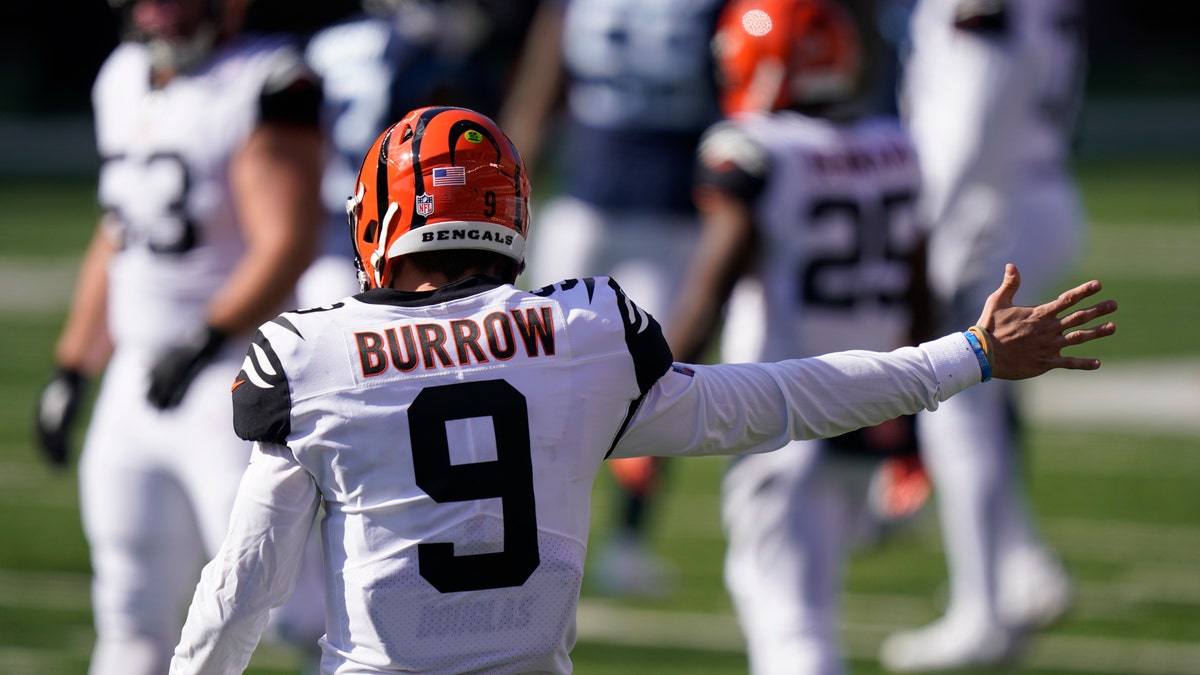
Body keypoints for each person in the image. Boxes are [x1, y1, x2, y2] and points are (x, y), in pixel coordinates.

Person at [166, 104, 1115, 675]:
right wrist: (969, 356)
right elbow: (783, 397)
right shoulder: (579, 343)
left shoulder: (316, 357)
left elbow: (242, 586)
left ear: (378, 217)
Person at [32, 0, 326, 672]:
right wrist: (74, 364)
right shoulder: (120, 77)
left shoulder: (268, 80)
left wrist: (204, 336)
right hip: (138, 381)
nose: (162, 17)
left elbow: (288, 238)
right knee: (130, 610)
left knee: (298, 612)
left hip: (235, 377)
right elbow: (121, 235)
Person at [663, 0, 931, 672]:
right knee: (809, 599)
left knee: (781, 611)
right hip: (870, 395)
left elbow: (711, 289)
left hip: (780, 400)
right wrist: (914, 421)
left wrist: (652, 388)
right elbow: (920, 290)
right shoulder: (894, 144)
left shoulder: (754, 149)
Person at [879, 0, 1090, 669]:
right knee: (980, 403)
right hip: (1021, 186)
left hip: (988, 199)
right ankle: (1022, 565)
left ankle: (982, 611)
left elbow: (975, 100)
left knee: (954, 401)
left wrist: (927, 228)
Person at [498, 0, 730, 596]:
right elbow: (540, 84)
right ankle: (536, 530)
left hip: (646, 203)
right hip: (608, 197)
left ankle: (622, 541)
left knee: (648, 380)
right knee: (551, 372)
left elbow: (536, 94)